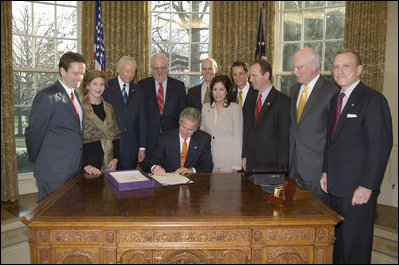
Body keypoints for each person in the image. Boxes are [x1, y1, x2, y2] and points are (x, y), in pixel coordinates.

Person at [320, 49, 393, 264]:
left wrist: (367, 185)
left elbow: (380, 146)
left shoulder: (373, 100)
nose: (340, 71)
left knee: (355, 249)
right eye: (336, 66)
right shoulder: (336, 100)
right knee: (338, 246)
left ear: (359, 70)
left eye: (346, 66)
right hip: (334, 188)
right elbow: (330, 142)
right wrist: (325, 170)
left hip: (357, 191)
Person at [25, 51, 86, 202]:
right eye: (76, 73)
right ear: (62, 71)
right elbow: (33, 133)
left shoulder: (75, 96)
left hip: (74, 170)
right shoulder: (47, 97)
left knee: (69, 217)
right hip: (53, 173)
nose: (80, 78)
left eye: (82, 74)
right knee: (50, 220)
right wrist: (41, 162)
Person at [288, 47, 338, 205]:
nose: (295, 71)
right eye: (294, 67)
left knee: (316, 216)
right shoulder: (294, 89)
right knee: (290, 212)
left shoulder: (332, 91)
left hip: (316, 170)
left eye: (299, 67)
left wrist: (327, 170)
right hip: (292, 167)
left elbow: (334, 135)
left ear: (313, 66)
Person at [242, 59, 290, 173]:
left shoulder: (282, 101)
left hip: (272, 165)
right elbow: (247, 130)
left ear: (266, 75)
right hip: (250, 163)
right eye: (250, 76)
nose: (250, 80)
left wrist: (282, 167)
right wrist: (244, 155)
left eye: (254, 76)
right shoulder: (250, 100)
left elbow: (284, 138)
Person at [138, 53, 188, 160]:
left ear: (168, 68)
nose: (160, 71)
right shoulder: (141, 86)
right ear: (151, 69)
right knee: (150, 173)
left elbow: (183, 116)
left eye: (163, 68)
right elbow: (139, 118)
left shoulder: (179, 86)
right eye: (156, 68)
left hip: (172, 142)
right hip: (149, 143)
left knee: (171, 175)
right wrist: (141, 146)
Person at [102, 56, 147, 170]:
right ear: (118, 69)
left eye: (133, 72)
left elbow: (142, 120)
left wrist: (142, 147)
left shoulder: (139, 91)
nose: (130, 75)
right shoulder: (106, 87)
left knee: (127, 184)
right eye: (127, 71)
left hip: (131, 148)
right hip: (111, 146)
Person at [147, 107, 213, 175]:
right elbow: (153, 160)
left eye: (190, 130)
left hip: (192, 181)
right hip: (169, 180)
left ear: (196, 128)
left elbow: (207, 165)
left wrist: (191, 170)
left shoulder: (204, 139)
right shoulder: (165, 137)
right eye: (183, 127)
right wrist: (155, 168)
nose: (185, 132)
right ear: (179, 122)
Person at [80, 70, 120, 175]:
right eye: (95, 84)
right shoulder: (79, 107)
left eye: (101, 84)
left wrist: (115, 158)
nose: (99, 88)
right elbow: (74, 140)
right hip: (88, 163)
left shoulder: (109, 107)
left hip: (109, 161)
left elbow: (116, 135)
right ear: (87, 86)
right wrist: (85, 165)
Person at [200, 75, 243, 172]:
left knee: (227, 187)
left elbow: (238, 138)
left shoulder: (235, 109)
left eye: (221, 89)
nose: (217, 93)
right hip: (209, 160)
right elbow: (202, 134)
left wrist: (236, 165)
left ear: (227, 90)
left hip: (228, 162)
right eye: (215, 89)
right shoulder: (205, 107)